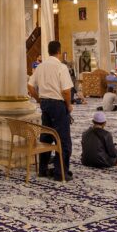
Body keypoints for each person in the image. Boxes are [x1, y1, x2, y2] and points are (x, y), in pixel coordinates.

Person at [28, 40, 74, 181]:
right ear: (59, 52)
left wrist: (39, 99)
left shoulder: (40, 67)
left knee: (46, 137)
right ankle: (61, 172)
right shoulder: (61, 67)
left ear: (48, 52)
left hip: (45, 104)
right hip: (58, 105)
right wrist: (69, 105)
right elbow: (66, 91)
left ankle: (43, 170)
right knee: (63, 140)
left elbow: (30, 86)